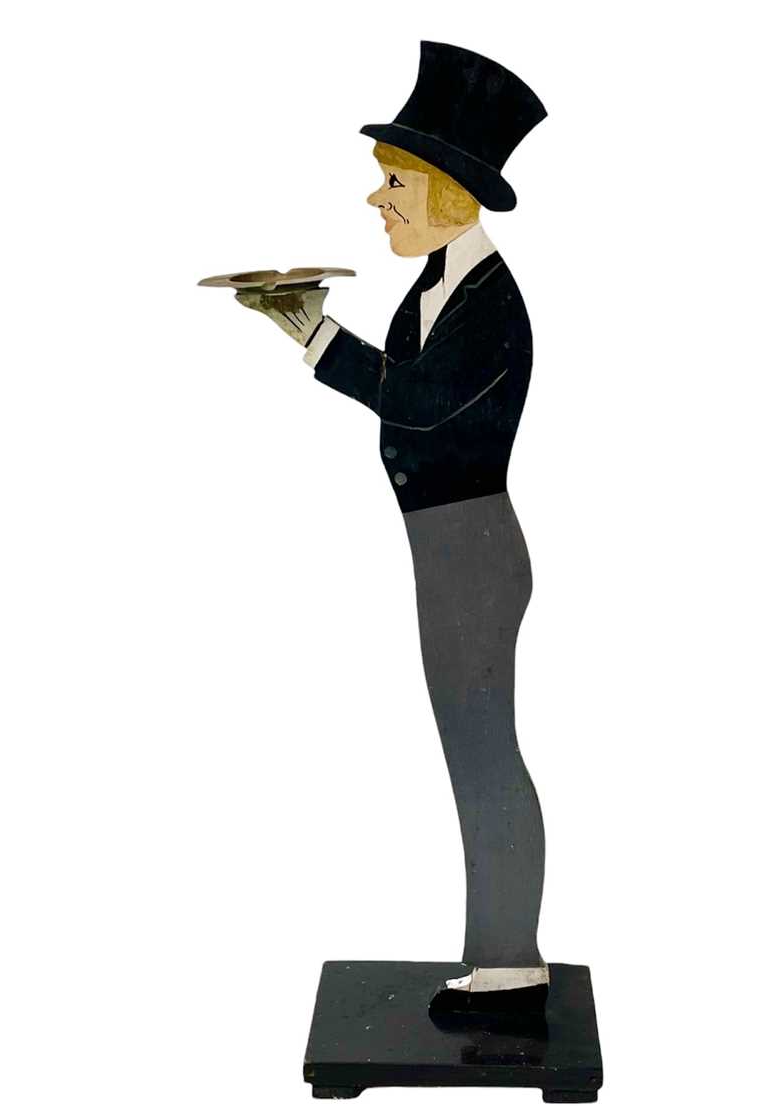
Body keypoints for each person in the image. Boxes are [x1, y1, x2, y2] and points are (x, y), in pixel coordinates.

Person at [235, 41, 550, 1010]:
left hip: (472, 553)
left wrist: (315, 332)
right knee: (475, 749)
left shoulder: (491, 307)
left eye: (395, 182)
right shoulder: (442, 285)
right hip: (450, 548)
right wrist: (308, 329)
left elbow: (415, 401)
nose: (378, 200)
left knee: (483, 753)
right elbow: (409, 386)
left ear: (450, 191)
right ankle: (501, 954)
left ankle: (509, 960)